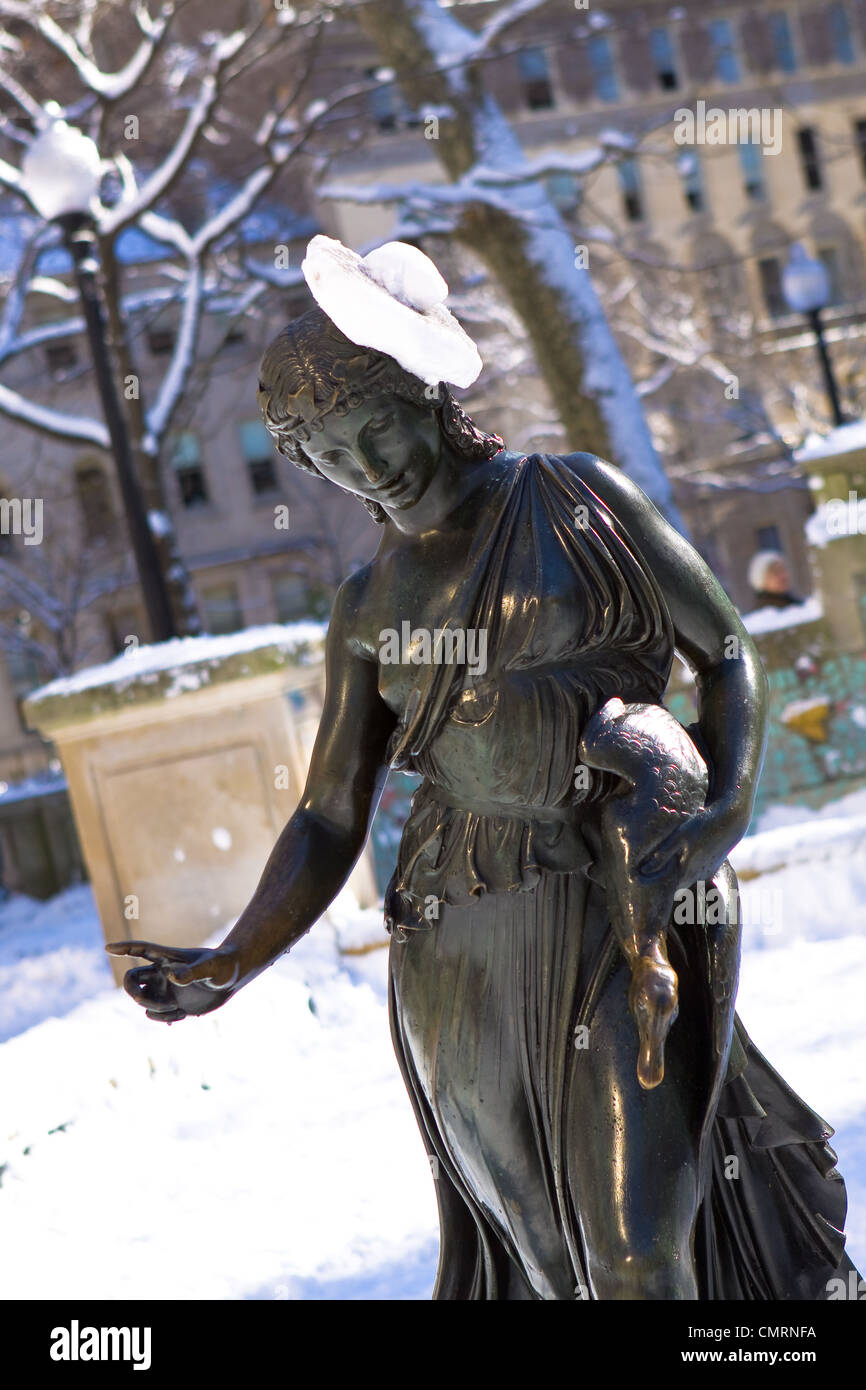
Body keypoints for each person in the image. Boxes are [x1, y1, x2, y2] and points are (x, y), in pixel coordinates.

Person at [109, 243, 857, 1301]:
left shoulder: (568, 498)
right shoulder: (366, 608)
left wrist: (725, 803)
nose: (367, 465)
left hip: (614, 894)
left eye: (374, 425)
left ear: (424, 389)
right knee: (541, 1264)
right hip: (454, 941)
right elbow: (329, 815)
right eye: (329, 455)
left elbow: (724, 650)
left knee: (640, 1250)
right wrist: (233, 958)